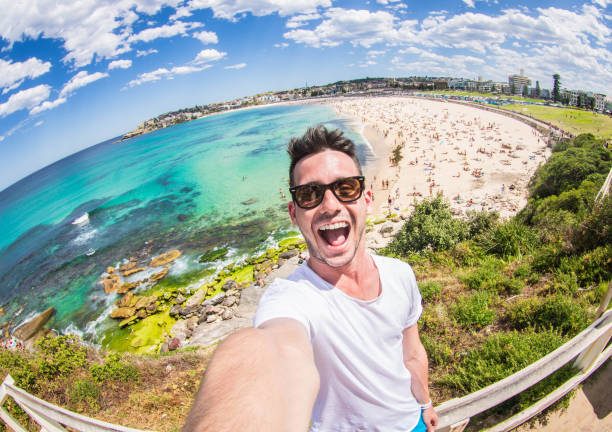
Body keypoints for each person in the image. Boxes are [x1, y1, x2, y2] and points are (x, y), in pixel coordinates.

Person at [183, 125, 438, 432]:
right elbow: (274, 350)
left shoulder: (400, 274)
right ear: (294, 214)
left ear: (367, 198)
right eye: (309, 194)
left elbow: (411, 353)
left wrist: (424, 404)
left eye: (346, 188)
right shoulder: (291, 298)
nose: (330, 205)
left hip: (413, 423)